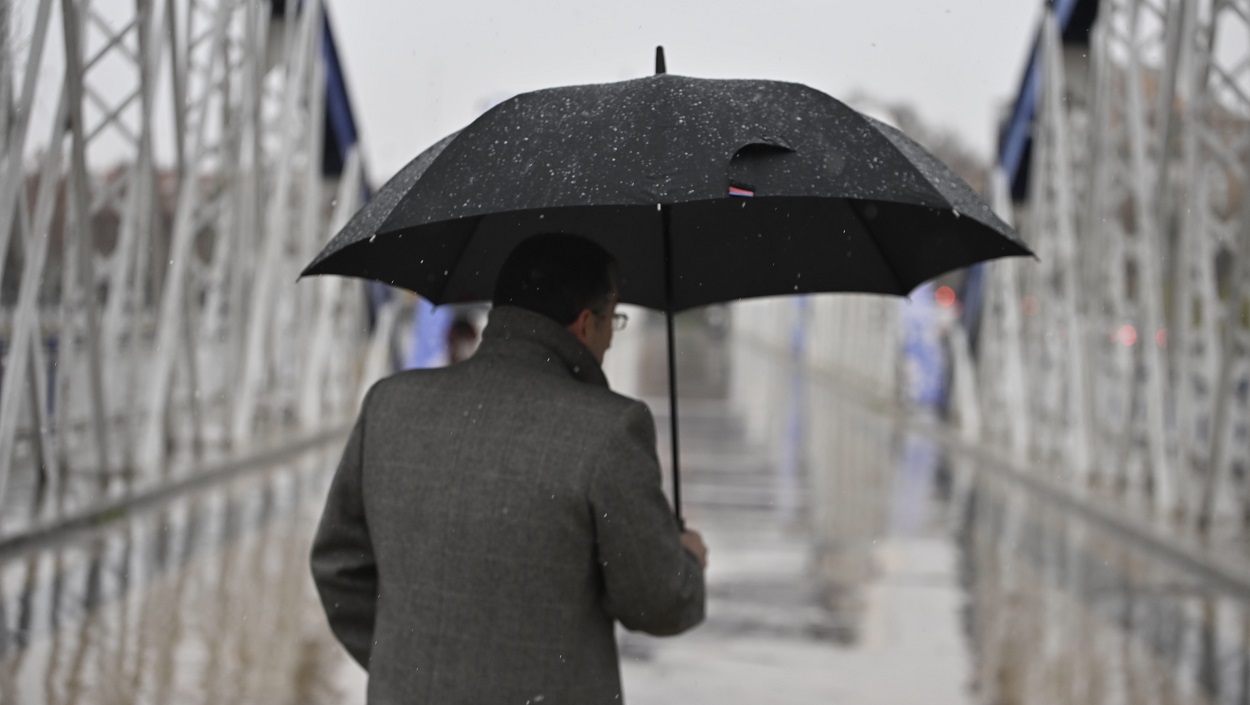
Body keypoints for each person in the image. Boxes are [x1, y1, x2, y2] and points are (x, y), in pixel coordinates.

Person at [311, 232, 707, 704]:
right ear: (584, 324)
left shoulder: (390, 405)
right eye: (613, 321)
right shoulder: (610, 431)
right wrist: (685, 559)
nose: (610, 338)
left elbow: (338, 568)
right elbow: (656, 602)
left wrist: (409, 665)